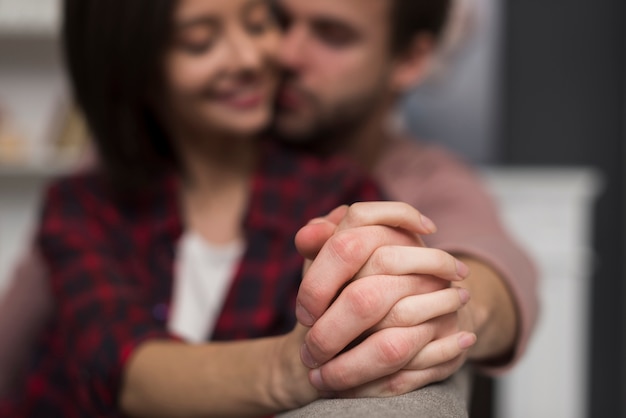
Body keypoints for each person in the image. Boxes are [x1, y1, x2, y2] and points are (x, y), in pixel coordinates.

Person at [0, 0, 474, 416]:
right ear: (136, 65)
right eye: (200, 42)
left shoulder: (339, 194)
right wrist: (298, 367)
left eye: (257, 23)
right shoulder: (80, 206)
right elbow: (125, 368)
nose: (251, 59)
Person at [269, 0, 538, 410]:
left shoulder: (427, 178)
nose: (286, 53)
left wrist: (453, 309)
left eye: (333, 35)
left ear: (411, 59)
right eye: (280, 21)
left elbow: (500, 263)